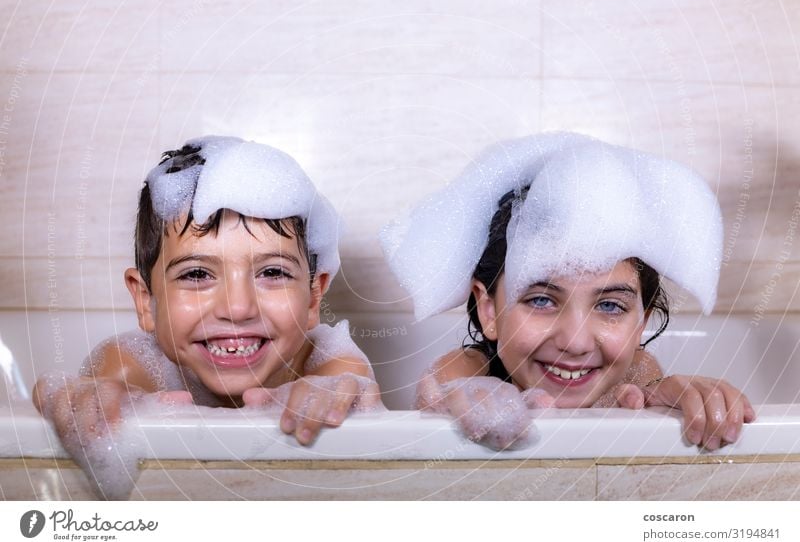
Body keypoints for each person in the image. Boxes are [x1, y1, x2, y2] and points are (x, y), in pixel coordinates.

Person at [381, 132, 755, 451]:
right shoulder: (465, 370)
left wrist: (673, 395)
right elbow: (445, 396)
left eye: (610, 305)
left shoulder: (637, 373)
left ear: (641, 322)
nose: (576, 342)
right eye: (541, 300)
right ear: (489, 311)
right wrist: (461, 401)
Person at [33, 136, 381, 457]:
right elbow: (88, 406)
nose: (238, 308)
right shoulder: (128, 365)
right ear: (145, 300)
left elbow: (355, 409)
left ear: (312, 297)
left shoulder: (330, 367)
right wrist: (78, 397)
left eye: (273, 272)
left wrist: (332, 400)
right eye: (197, 274)